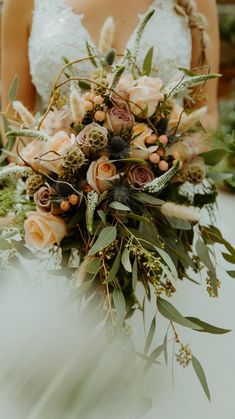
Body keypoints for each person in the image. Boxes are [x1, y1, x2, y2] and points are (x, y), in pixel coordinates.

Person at [1, 0, 219, 131]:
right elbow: (13, 117)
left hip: (171, 195)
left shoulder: (197, 3)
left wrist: (165, 168)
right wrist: (52, 180)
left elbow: (205, 115)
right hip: (54, 200)